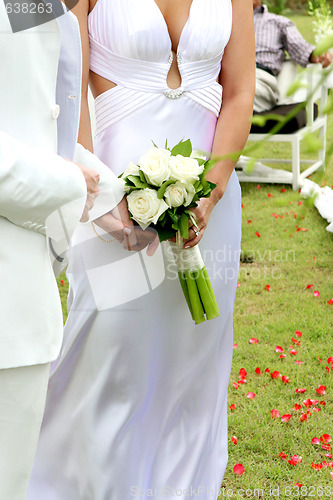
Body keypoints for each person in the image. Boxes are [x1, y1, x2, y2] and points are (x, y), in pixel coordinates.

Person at [28, 0, 255, 499]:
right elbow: (68, 81)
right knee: (108, 359)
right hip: (114, 205)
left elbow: (240, 93)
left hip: (209, 208)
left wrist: (211, 194)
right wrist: (97, 193)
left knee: (194, 370)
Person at [0, 2, 135, 498]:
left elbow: (31, 120)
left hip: (23, 304)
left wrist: (109, 196)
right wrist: (70, 187)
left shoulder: (42, 7)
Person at [253, 0, 333, 112]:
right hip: (226, 77)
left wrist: (316, 54)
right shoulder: (227, 22)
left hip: (259, 79)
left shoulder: (278, 22)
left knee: (238, 90)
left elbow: (301, 48)